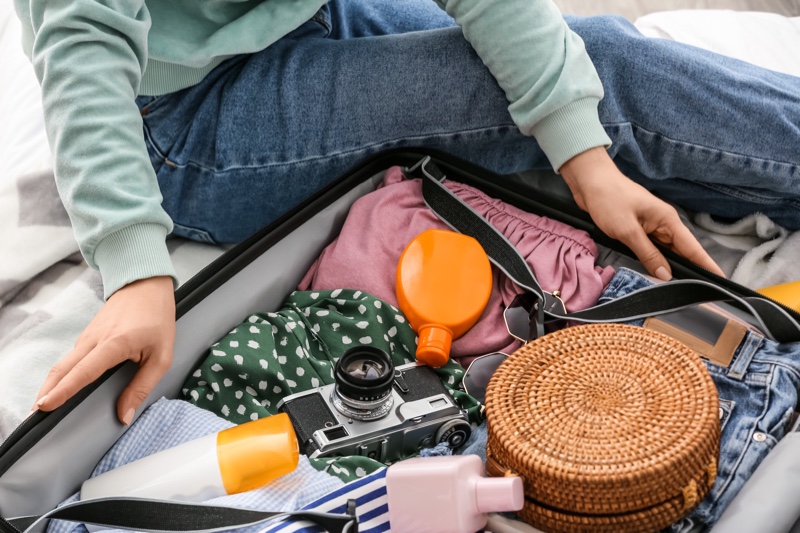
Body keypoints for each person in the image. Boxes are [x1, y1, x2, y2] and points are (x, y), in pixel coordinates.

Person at [14, 0, 799, 426]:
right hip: (187, 119)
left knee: (582, 73)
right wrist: (133, 268)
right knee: (613, 71)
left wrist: (580, 149)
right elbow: (80, 37)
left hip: (308, 18)